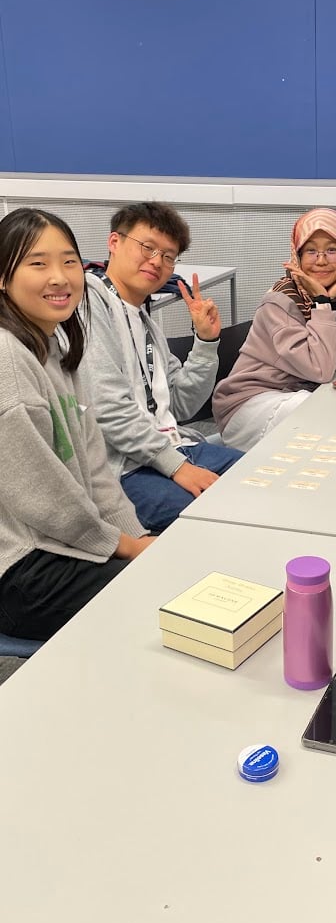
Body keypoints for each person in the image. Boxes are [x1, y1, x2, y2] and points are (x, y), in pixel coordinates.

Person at [0, 208, 153, 640]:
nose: (60, 277)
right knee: (163, 599)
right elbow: (44, 498)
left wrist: (135, 535)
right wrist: (124, 547)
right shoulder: (8, 358)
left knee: (165, 567)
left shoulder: (55, 344)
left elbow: (94, 466)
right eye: (37, 263)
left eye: (69, 261)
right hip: (19, 568)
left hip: (59, 542)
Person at [83, 201, 242, 532]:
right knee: (215, 516)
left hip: (172, 448)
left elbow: (181, 404)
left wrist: (205, 342)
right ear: (115, 243)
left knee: (259, 476)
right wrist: (178, 468)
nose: (157, 261)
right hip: (122, 469)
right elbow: (108, 409)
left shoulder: (144, 318)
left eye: (168, 256)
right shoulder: (88, 302)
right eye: (147, 247)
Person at [213, 207, 336, 451]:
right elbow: (320, 370)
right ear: (297, 257)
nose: (321, 260)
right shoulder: (280, 301)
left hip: (305, 396)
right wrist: (323, 304)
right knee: (324, 413)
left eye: (331, 250)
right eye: (310, 251)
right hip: (252, 403)